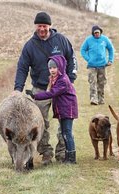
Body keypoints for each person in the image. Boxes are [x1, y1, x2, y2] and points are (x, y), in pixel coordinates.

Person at [12, 11, 78, 165]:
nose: (42, 29)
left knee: (64, 123)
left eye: (45, 26)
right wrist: (18, 88)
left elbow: (72, 59)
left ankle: (63, 153)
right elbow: (22, 68)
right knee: (40, 124)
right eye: (39, 26)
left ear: (50, 26)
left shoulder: (61, 40)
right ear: (36, 26)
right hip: (40, 88)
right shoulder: (30, 46)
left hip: (61, 90)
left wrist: (70, 79)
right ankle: (46, 153)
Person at [29, 55, 78, 164]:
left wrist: (36, 96)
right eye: (50, 68)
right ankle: (68, 156)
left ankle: (72, 158)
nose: (52, 70)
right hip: (63, 110)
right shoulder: (55, 79)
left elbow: (52, 93)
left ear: (60, 67)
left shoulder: (63, 80)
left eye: (54, 67)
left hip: (67, 110)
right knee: (65, 133)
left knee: (67, 133)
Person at [80, 25, 114, 105]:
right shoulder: (88, 40)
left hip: (102, 65)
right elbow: (83, 50)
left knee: (101, 83)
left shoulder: (105, 39)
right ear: (93, 33)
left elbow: (110, 49)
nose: (97, 34)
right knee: (92, 82)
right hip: (92, 66)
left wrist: (110, 60)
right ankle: (93, 99)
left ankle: (101, 99)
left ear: (100, 32)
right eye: (95, 33)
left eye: (98, 32)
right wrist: (88, 59)